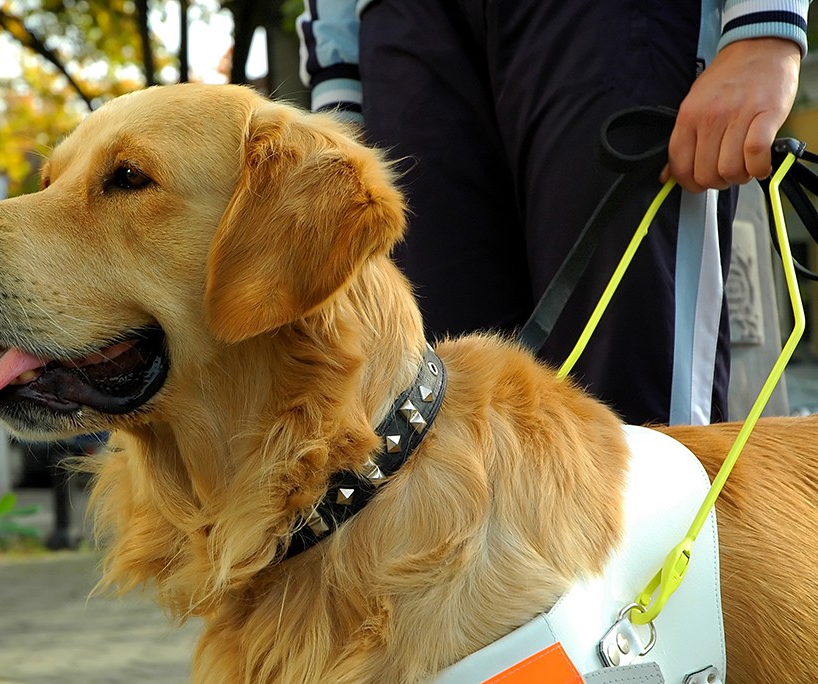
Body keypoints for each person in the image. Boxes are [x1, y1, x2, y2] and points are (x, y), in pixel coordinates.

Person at [296, 0, 808, 426]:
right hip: (407, 30)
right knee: (439, 454)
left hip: (609, 21)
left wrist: (764, 22)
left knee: (637, 436)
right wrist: (338, 95)